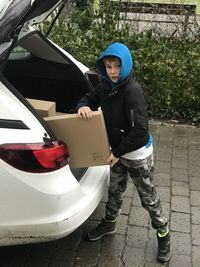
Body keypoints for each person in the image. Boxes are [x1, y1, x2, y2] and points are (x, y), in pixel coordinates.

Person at [77, 42, 170, 263]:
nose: (112, 71)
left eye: (117, 66)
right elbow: (89, 99)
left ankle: (163, 234)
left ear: (125, 65)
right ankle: (109, 224)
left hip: (137, 156)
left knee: (148, 198)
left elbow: (140, 130)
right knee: (115, 190)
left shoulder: (133, 92)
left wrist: (117, 152)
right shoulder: (105, 86)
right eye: (108, 66)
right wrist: (82, 105)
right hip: (116, 154)